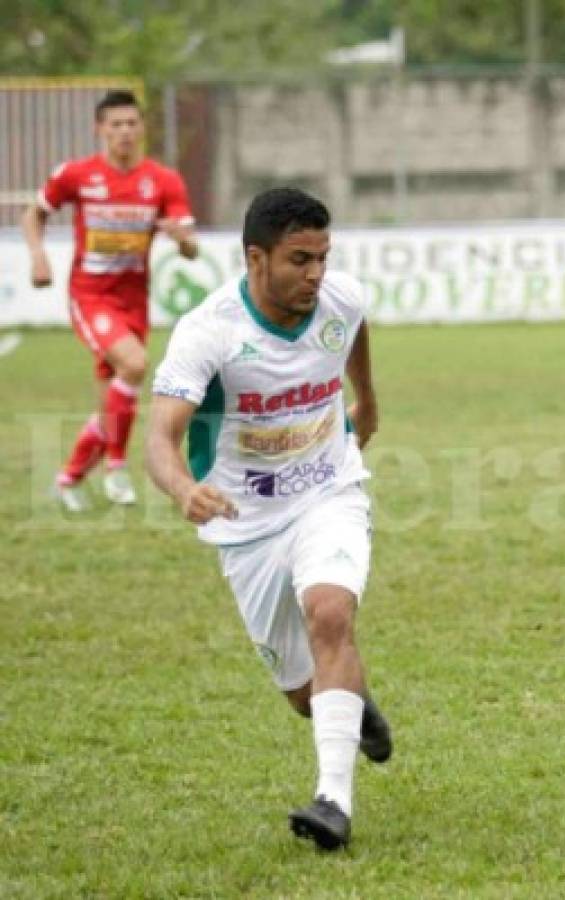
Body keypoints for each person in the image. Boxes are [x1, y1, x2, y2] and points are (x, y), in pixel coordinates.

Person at [146, 187, 391, 851]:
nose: (316, 273)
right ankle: (351, 703)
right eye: (299, 259)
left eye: (323, 256)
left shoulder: (337, 297)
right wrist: (181, 489)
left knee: (331, 615)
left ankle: (332, 802)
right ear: (256, 258)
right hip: (245, 525)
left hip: (327, 491)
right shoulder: (210, 331)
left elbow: (355, 322)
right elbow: (159, 440)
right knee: (302, 694)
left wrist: (364, 400)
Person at [21, 89, 200, 511]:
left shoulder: (163, 180)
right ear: (100, 129)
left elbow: (191, 248)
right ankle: (117, 466)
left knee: (114, 404)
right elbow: (34, 212)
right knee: (136, 364)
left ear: (142, 129)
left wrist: (182, 239)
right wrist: (38, 255)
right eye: (115, 124)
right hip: (90, 295)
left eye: (131, 123)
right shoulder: (78, 175)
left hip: (134, 299)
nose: (124, 131)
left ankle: (67, 479)